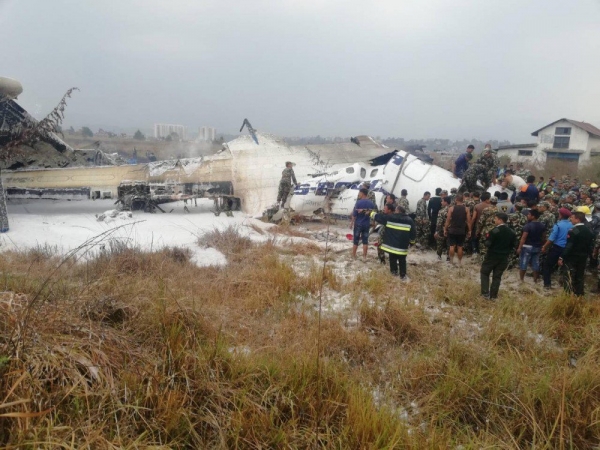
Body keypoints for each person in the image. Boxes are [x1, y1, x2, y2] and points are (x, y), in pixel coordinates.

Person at [370, 205, 416, 280]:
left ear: (398, 211)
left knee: (392, 258)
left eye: (396, 210)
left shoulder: (390, 218)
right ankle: (403, 275)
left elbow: (379, 217)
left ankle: (394, 272)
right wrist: (411, 242)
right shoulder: (409, 220)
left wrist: (371, 213)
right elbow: (413, 233)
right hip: (402, 246)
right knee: (402, 260)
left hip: (392, 246)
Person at [480, 212, 516, 300]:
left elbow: (488, 244)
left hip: (492, 256)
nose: (494, 220)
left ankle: (485, 293)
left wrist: (485, 241)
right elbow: (513, 245)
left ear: (500, 220)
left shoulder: (494, 231)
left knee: (484, 272)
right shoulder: (511, 232)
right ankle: (493, 296)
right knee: (497, 276)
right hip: (504, 257)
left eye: (495, 219)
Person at [559, 211, 594, 296]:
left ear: (578, 219)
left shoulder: (573, 231)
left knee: (569, 276)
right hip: (583, 257)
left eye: (572, 217)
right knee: (580, 277)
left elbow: (569, 245)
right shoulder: (588, 231)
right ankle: (579, 295)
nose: (570, 219)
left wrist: (562, 257)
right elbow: (590, 246)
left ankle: (567, 295)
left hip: (572, 257)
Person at [541, 208, 574, 290]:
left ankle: (547, 285)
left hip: (557, 248)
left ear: (561, 215)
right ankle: (565, 285)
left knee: (547, 265)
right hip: (568, 249)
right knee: (566, 267)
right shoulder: (572, 225)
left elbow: (551, 239)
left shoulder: (558, 225)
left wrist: (544, 247)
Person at [516, 210, 546, 283]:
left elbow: (523, 237)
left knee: (524, 263)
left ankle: (521, 280)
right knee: (536, 263)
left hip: (527, 247)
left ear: (533, 216)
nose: (527, 215)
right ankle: (535, 280)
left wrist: (519, 247)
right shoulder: (542, 225)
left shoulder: (528, 226)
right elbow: (544, 237)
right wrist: (543, 246)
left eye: (529, 214)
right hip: (537, 247)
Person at [444, 194, 471, 266]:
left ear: (456, 200)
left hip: (452, 230)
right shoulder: (466, 209)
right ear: (463, 200)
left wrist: (445, 229)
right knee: (460, 247)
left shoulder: (451, 208)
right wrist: (470, 230)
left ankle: (451, 261)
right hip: (461, 230)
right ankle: (459, 262)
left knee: (452, 246)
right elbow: (468, 221)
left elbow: (448, 220)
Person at [350, 188, 376, 262]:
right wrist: (373, 224)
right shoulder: (371, 203)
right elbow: (373, 214)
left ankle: (354, 255)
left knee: (356, 240)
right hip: (366, 224)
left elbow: (354, 215)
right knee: (365, 241)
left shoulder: (358, 203)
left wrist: (351, 223)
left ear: (362, 193)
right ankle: (364, 257)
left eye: (359, 193)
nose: (359, 194)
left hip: (358, 224)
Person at [434, 196, 451, 260]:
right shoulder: (453, 209)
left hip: (442, 229)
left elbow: (439, 223)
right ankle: (448, 256)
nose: (441, 202)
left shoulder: (442, 211)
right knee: (449, 243)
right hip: (451, 229)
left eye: (442, 201)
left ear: (446, 202)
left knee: (440, 242)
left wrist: (436, 231)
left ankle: (439, 255)